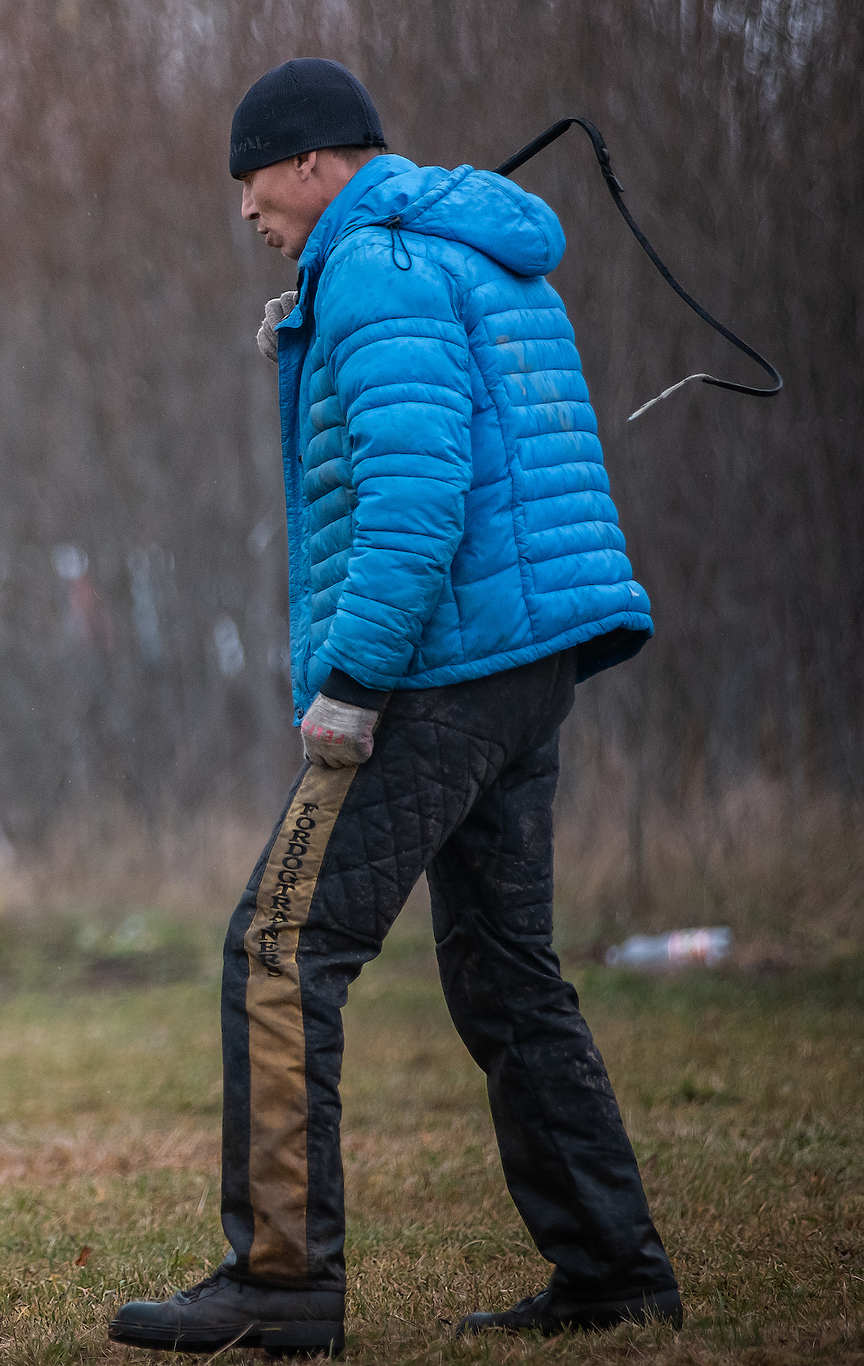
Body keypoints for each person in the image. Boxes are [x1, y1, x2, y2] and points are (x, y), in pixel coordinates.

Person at [106, 58, 681, 1355]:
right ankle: (612, 1269)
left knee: (278, 946)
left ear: (313, 163)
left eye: (252, 177)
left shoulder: (374, 270)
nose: (246, 208)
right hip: (528, 660)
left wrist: (353, 684)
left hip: (437, 666)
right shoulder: (470, 251)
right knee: (505, 970)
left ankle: (282, 1281)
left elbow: (417, 499)